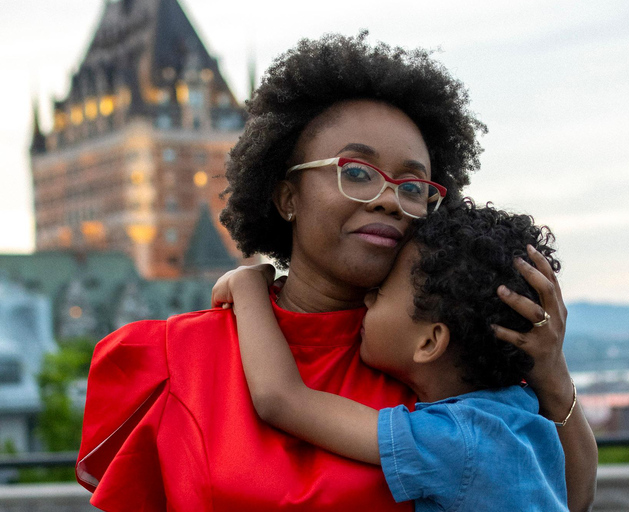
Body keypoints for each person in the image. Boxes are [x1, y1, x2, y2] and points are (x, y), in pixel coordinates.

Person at [76, 33, 597, 511]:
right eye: (357, 172)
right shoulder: (175, 359)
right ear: (287, 197)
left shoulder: (456, 365)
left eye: (413, 186)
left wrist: (553, 376)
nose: (389, 199)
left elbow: (567, 501)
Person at [212, 201, 570, 511]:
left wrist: (248, 286)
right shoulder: (523, 409)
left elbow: (281, 399)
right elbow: (575, 498)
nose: (367, 298)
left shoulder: (452, 440)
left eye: (381, 291)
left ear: (429, 343)